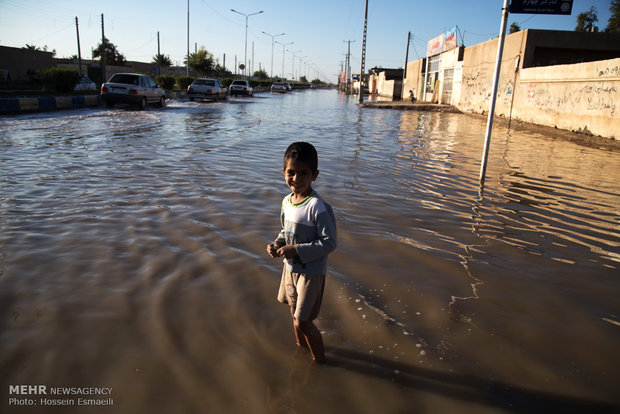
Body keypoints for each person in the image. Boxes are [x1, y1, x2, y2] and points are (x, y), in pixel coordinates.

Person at [266, 142, 337, 363]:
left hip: (311, 273)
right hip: (290, 270)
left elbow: (329, 242)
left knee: (302, 321)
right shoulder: (286, 202)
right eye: (291, 172)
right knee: (294, 315)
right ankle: (301, 350)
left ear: (315, 175)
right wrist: (277, 244)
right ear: (283, 172)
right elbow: (284, 230)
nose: (296, 179)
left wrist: (295, 249)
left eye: (304, 173)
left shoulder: (318, 207)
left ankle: (320, 363)